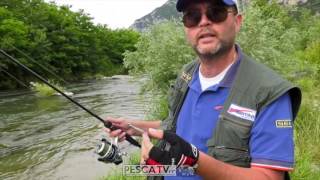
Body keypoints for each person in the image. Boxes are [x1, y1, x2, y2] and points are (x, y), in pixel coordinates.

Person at [104, 0, 301, 179]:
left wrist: (195, 161)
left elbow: (268, 177)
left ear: (238, 21)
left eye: (216, 13)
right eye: (193, 16)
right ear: (186, 28)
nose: (204, 22)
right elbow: (176, 125)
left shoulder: (269, 91)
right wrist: (134, 127)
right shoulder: (187, 74)